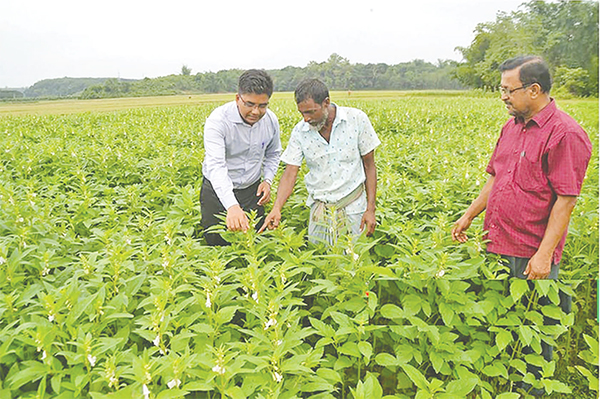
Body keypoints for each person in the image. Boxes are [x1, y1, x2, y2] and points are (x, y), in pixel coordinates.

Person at [451, 55, 592, 395]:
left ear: (534, 89)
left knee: (534, 327)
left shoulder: (566, 134)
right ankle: (504, 383)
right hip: (496, 240)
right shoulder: (511, 127)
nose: (502, 96)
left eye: (507, 90)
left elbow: (566, 200)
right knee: (502, 318)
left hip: (531, 251)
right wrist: (470, 214)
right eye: (501, 89)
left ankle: (533, 391)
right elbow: (495, 177)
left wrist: (544, 255)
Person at [260, 78, 380, 244]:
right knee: (321, 262)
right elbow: (290, 173)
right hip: (320, 210)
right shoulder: (300, 132)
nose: (306, 119)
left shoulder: (356, 120)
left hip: (353, 207)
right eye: (302, 113)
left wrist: (371, 209)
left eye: (310, 112)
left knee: (354, 262)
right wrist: (276, 208)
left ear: (326, 103)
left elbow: (369, 166)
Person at [201, 69, 281, 246]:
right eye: (250, 104)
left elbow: (273, 153)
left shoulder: (270, 121)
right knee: (218, 246)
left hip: (252, 192)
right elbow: (216, 166)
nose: (256, 111)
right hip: (217, 193)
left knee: (253, 243)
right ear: (238, 98)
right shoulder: (218, 121)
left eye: (262, 106)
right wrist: (231, 206)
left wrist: (267, 180)